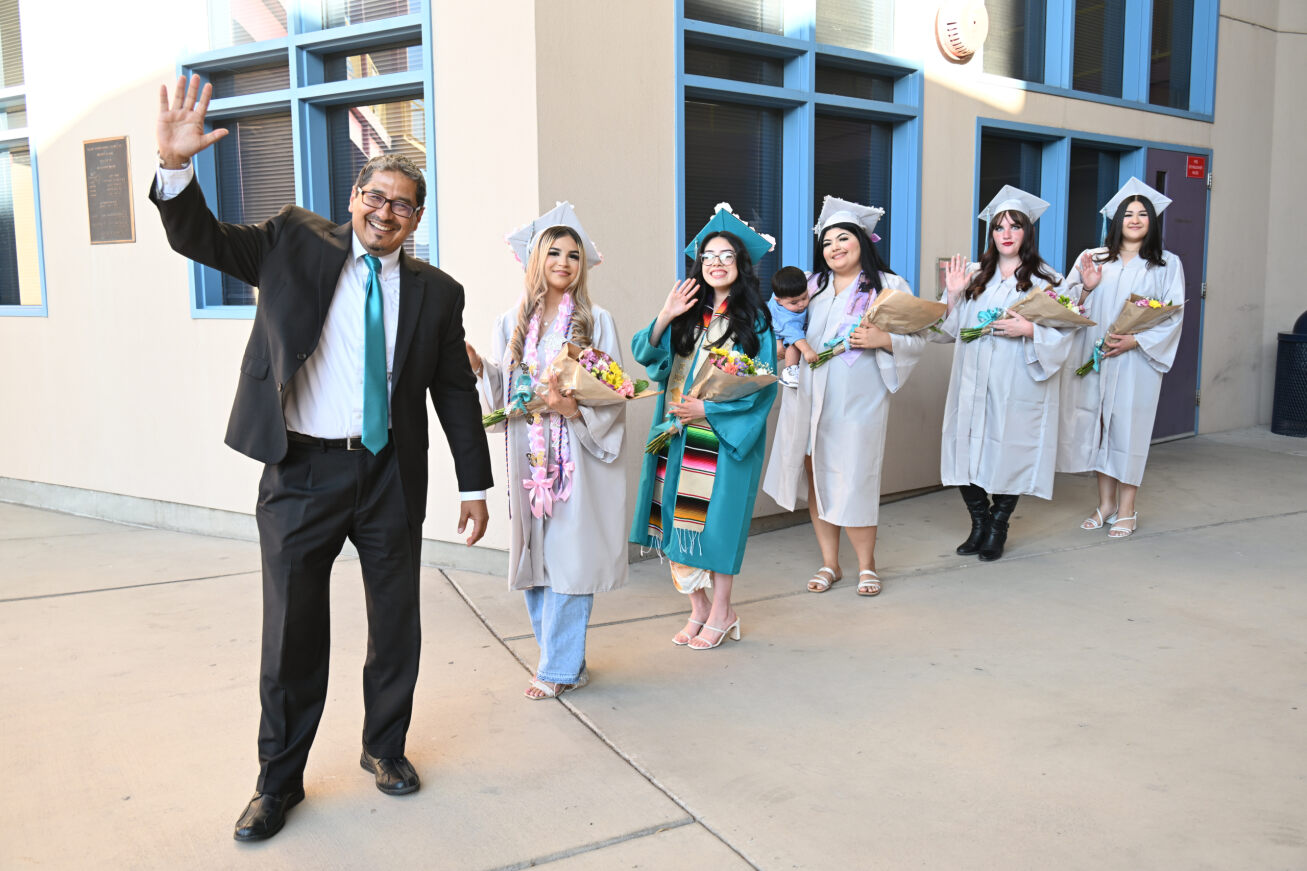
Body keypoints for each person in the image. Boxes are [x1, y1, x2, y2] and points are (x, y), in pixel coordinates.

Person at [150, 76, 493, 841]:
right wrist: (176, 172)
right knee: (292, 632)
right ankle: (278, 783)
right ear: (354, 195)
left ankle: (385, 748)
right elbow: (201, 239)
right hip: (301, 470)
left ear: (417, 216)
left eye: (403, 203)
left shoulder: (438, 292)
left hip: (388, 477)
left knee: (395, 624)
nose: (386, 211)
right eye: (377, 194)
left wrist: (474, 483)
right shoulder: (293, 240)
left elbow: (454, 391)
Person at [466, 203, 627, 699]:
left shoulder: (597, 321)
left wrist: (572, 407)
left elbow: (614, 390)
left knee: (570, 561)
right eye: (554, 252)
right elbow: (505, 393)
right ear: (534, 260)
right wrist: (480, 368)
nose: (564, 261)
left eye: (573, 255)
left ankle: (558, 666)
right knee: (535, 560)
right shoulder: (510, 322)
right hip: (529, 454)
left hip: (577, 453)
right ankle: (565, 660)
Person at [629, 204, 778, 650]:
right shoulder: (688, 315)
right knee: (672, 519)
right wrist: (666, 312)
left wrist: (709, 413)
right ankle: (697, 608)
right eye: (709, 255)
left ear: (740, 265)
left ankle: (723, 611)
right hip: (676, 436)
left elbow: (761, 387)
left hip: (722, 438)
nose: (716, 262)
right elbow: (647, 354)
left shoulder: (757, 320)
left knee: (718, 524)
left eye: (726, 256)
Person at [763, 196, 927, 597]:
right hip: (808, 398)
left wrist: (883, 338)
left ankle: (867, 566)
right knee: (816, 477)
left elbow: (918, 338)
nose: (834, 247)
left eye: (843, 238)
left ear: (862, 241)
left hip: (858, 401)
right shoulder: (810, 285)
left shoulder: (889, 287)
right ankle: (830, 563)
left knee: (855, 478)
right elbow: (779, 323)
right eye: (826, 242)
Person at [937, 185, 1073, 561]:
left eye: (1015, 226)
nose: (1007, 234)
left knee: (1009, 451)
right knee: (962, 451)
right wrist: (952, 295)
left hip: (1016, 380)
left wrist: (1030, 330)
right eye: (999, 227)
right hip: (971, 378)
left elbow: (1066, 334)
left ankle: (998, 526)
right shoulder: (975, 275)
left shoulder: (1048, 280)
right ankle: (978, 523)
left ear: (1028, 232)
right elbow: (946, 332)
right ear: (992, 234)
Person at [1058, 178, 1186, 538]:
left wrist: (1137, 340)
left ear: (1153, 221)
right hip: (1095, 354)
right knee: (1098, 428)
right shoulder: (1094, 257)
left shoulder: (1166, 264)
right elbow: (1066, 307)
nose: (1134, 219)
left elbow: (1173, 316)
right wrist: (1086, 285)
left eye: (1142, 214)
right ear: (1116, 220)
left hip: (1136, 360)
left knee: (1129, 430)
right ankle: (1106, 504)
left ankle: (1128, 508)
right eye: (1127, 213)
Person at [768, 265, 817, 388]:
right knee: (793, 346)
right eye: (794, 302)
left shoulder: (784, 292)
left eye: (804, 297)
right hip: (779, 329)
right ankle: (790, 370)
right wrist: (807, 351)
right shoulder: (787, 318)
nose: (801, 304)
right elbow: (796, 335)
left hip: (774, 326)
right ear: (778, 301)